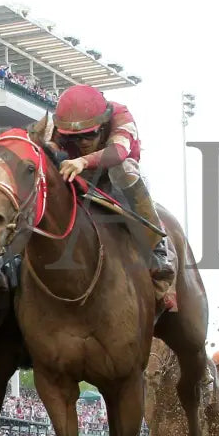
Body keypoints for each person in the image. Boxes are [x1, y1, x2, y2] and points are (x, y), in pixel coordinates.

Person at [50, 84, 176, 300]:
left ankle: (157, 248)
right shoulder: (60, 128)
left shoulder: (121, 116)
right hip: (82, 176)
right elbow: (48, 149)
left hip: (120, 177)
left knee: (123, 169)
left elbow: (118, 152)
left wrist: (82, 160)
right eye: (72, 138)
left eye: (88, 136)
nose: (81, 143)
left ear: (103, 124)